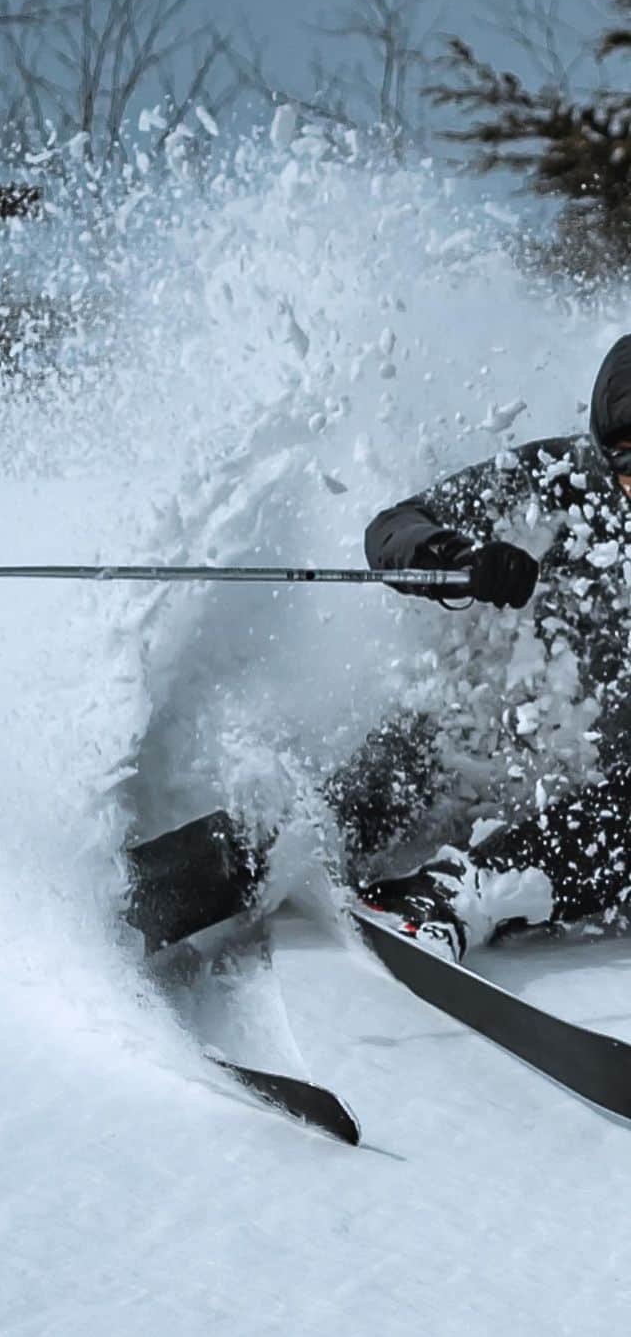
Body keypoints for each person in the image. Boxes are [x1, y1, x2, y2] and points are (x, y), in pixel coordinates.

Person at [124, 336, 631, 963]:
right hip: (484, 744)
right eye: (627, 458)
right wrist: (460, 559)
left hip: (604, 789)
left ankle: (472, 889)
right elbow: (396, 526)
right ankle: (129, 902)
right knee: (327, 818)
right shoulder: (559, 478)